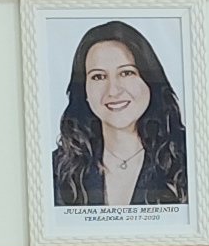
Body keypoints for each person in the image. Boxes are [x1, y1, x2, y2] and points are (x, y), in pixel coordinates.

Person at [45, 23, 188, 207]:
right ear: (84, 90)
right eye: (98, 76)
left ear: (150, 81)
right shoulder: (56, 170)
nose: (113, 91)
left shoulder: (189, 158)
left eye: (126, 73)